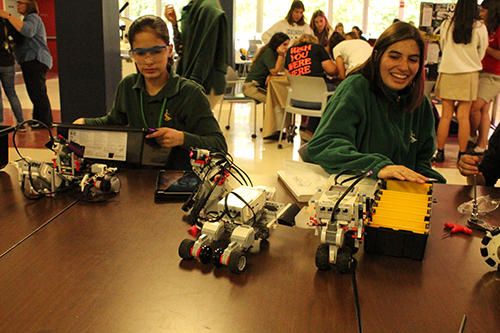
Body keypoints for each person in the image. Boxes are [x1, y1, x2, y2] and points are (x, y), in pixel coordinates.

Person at [73, 16, 227, 171]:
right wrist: (85, 124)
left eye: (156, 52)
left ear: (169, 50)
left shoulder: (189, 93)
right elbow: (114, 122)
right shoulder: (128, 86)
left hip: (178, 179)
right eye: (140, 53)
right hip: (136, 176)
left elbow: (219, 145)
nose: (148, 61)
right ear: (132, 54)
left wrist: (182, 138)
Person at [307, 22, 446, 184]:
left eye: (413, 60)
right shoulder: (356, 88)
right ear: (377, 56)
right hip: (359, 188)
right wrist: (377, 167)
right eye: (394, 57)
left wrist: (431, 182)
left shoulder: (419, 102)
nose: (403, 67)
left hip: (401, 195)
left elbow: (422, 161)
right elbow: (324, 145)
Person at [433, 0, 488, 163]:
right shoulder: (479, 27)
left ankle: (440, 152)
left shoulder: (447, 24)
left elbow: (442, 45)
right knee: (463, 116)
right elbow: (482, 51)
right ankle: (462, 154)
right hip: (469, 74)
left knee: (446, 116)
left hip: (448, 71)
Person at [164, 0, 229, 109]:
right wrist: (174, 24)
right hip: (191, 79)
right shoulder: (192, 10)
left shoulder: (208, 9)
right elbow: (182, 49)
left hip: (206, 82)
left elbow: (206, 54)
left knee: (192, 124)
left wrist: (193, 85)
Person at [0, 0, 52, 128]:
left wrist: (8, 16)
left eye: (20, 3)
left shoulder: (32, 18)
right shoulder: (28, 19)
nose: (17, 5)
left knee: (37, 93)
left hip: (35, 60)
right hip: (33, 60)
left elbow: (28, 31)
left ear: (29, 5)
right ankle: (39, 119)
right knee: (37, 91)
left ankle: (44, 121)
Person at [284, 34, 338, 136]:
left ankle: (310, 131)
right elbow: (332, 70)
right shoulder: (318, 48)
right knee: (337, 93)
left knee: (320, 94)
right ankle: (324, 133)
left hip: (296, 99)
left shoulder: (291, 51)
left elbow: (288, 76)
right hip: (317, 99)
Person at [242, 32, 290, 140]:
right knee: (275, 100)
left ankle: (273, 128)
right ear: (277, 44)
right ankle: (273, 131)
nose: (286, 47)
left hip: (257, 86)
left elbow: (273, 71)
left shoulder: (271, 53)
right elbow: (274, 71)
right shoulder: (269, 52)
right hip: (251, 87)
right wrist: (281, 56)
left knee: (277, 98)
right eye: (284, 44)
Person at [468, 0, 500, 154]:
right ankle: (482, 145)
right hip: (479, 71)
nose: (480, 14)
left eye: (483, 10)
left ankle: (473, 136)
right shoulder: (483, 27)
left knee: (475, 107)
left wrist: (487, 46)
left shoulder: (498, 30)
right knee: (483, 110)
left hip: (494, 75)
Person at [0, 17, 25, 131]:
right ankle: (20, 122)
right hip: (7, 61)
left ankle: (0, 123)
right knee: (11, 93)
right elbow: (19, 38)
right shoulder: (4, 21)